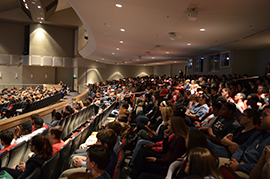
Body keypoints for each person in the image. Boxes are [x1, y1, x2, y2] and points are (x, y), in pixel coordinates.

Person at [218, 106, 270, 178]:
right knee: (211, 160)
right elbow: (242, 148)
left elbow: (262, 167)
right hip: (238, 161)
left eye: (265, 115)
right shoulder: (259, 133)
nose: (261, 118)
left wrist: (238, 166)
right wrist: (234, 159)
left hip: (250, 171)